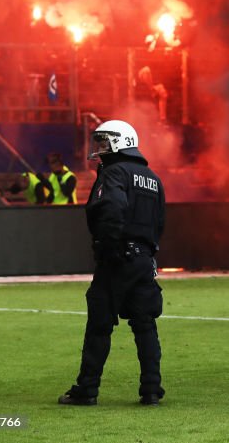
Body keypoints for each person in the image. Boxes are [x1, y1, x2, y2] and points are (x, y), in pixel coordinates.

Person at [58, 120, 166, 406]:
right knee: (145, 324)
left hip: (117, 259)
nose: (99, 148)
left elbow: (111, 209)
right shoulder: (152, 178)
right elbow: (159, 222)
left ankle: (87, 389)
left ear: (121, 142)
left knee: (99, 325)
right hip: (144, 259)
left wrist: (107, 249)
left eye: (104, 142)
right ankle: (152, 390)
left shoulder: (114, 172)